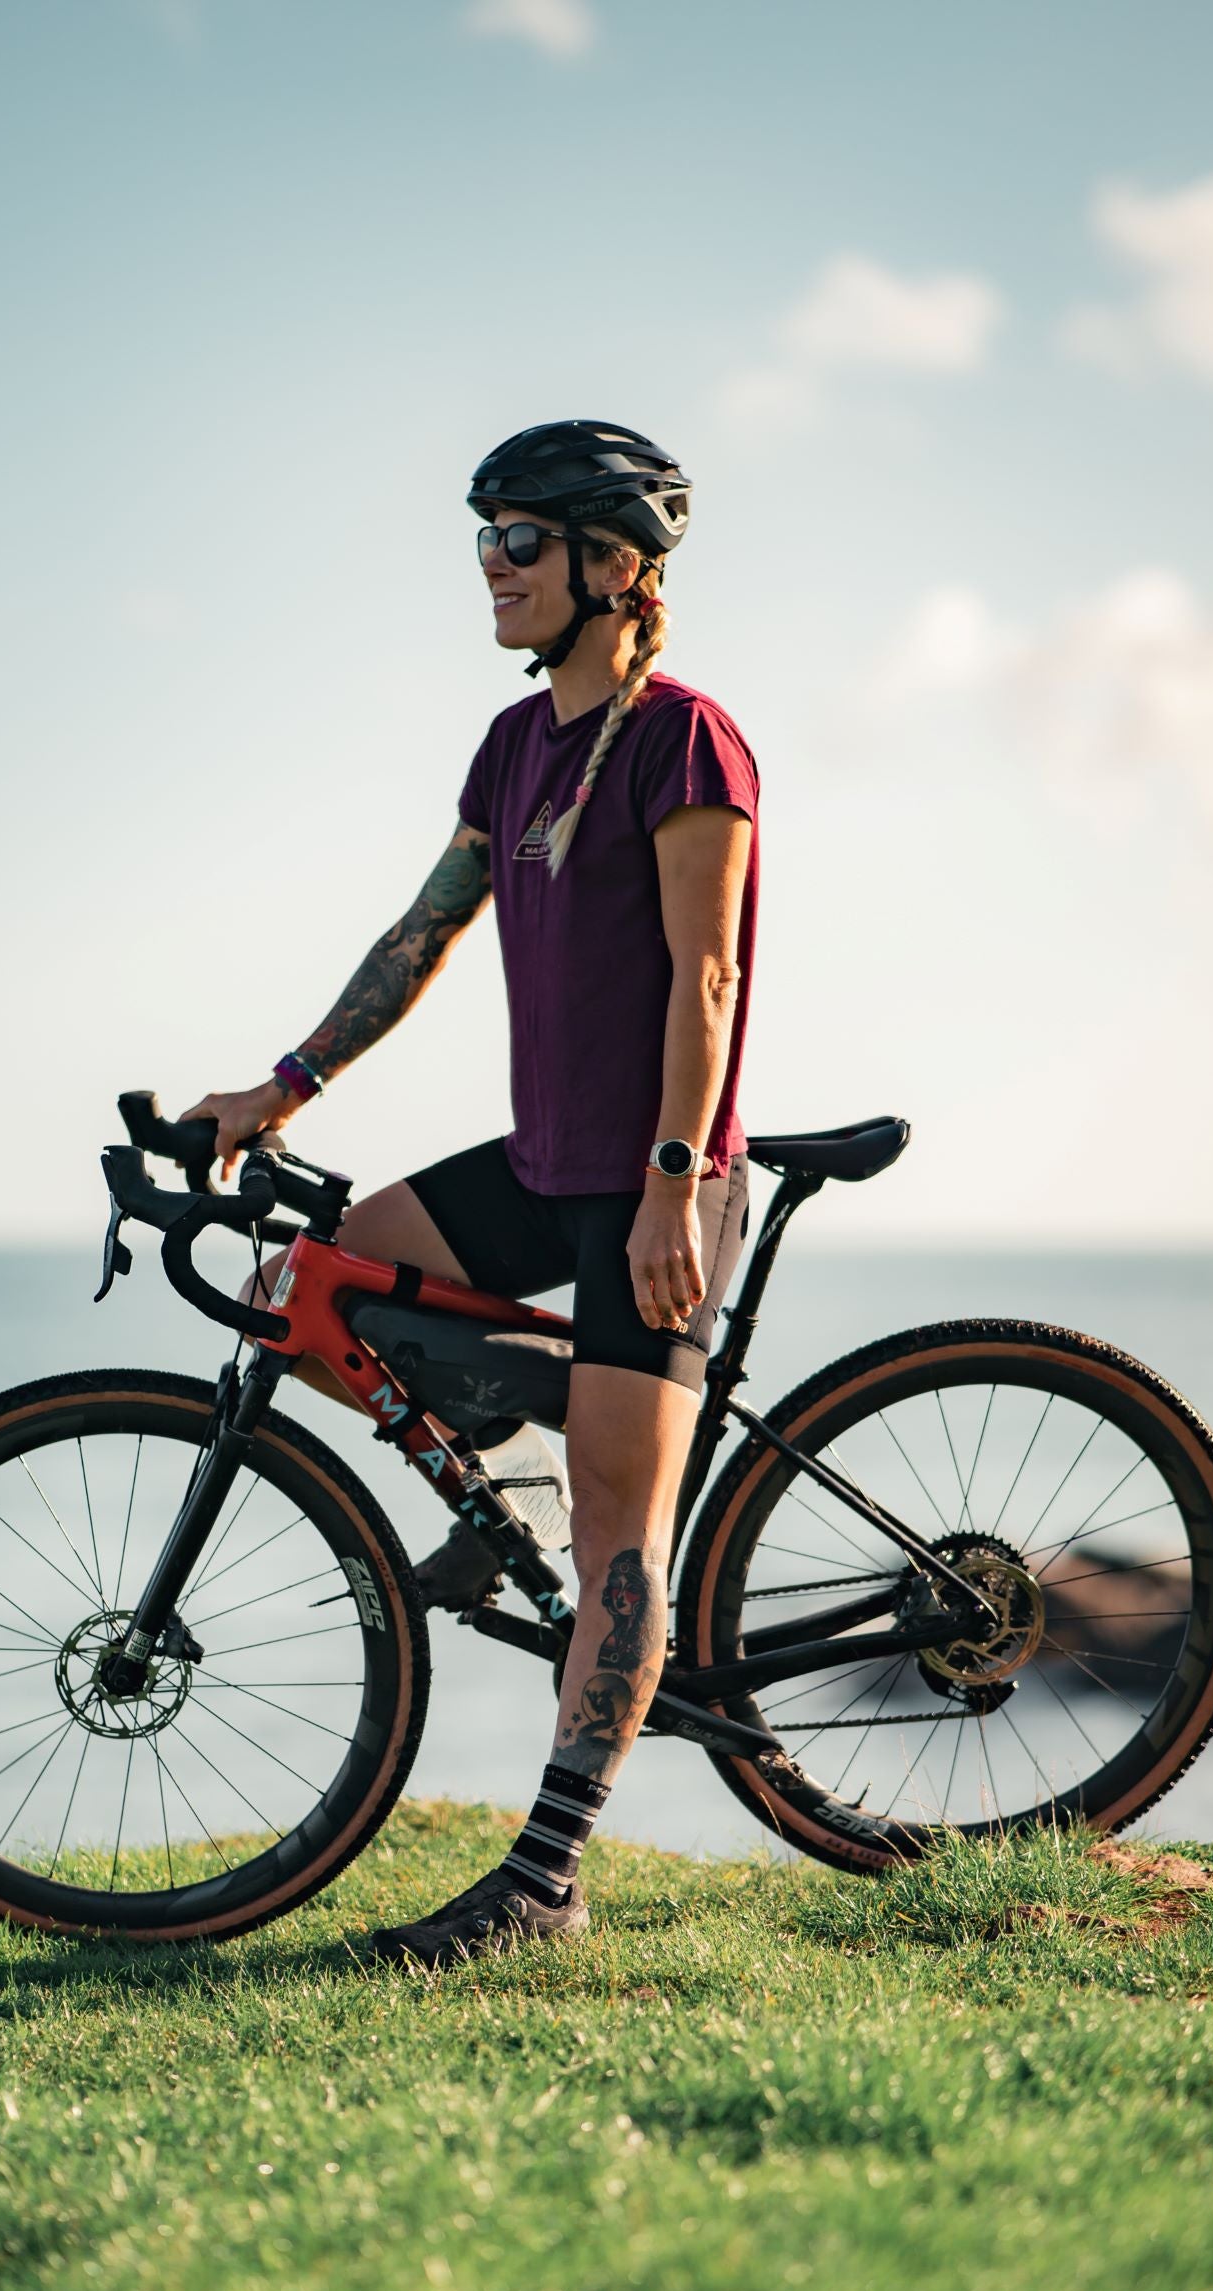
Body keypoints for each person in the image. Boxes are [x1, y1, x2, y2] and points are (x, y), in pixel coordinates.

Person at [184, 419, 759, 1967]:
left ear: (616, 566)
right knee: (317, 1285)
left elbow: (704, 974)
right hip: (536, 1165)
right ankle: (528, 1470)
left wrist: (665, 1186)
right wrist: (280, 1086)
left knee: (624, 1549)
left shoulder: (686, 742)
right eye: (484, 540)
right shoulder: (515, 751)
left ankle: (547, 1882)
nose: (491, 569)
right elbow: (419, 936)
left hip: (656, 1182)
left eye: (520, 540)